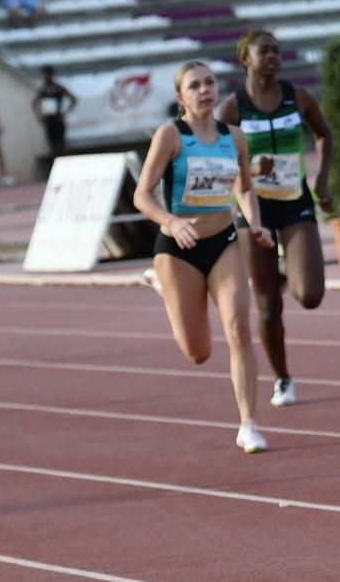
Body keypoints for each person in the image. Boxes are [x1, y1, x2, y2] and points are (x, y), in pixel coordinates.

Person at [134, 60, 276, 454]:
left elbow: (245, 187)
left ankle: (248, 423)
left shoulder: (235, 137)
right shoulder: (170, 136)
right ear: (181, 97)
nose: (205, 90)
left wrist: (255, 223)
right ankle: (162, 283)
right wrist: (169, 222)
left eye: (210, 82)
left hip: (224, 242)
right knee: (198, 352)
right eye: (195, 85)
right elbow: (141, 195)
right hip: (179, 249)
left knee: (239, 330)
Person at [218, 30, 334, 409]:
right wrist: (249, 167)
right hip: (253, 211)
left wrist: (321, 178)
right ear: (245, 58)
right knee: (268, 305)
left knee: (310, 295)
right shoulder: (232, 109)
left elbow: (324, 135)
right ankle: (283, 379)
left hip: (294, 200)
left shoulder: (296, 97)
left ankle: (288, 272)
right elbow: (214, 160)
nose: (272, 56)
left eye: (276, 51)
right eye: (263, 51)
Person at [32, 64, 77, 160]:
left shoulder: (58, 88)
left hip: (58, 119)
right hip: (49, 120)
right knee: (52, 146)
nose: (45, 77)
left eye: (47, 75)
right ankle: (56, 165)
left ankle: (65, 164)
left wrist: (64, 113)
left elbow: (73, 99)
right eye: (44, 75)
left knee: (61, 144)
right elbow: (34, 103)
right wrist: (39, 116)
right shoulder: (43, 89)